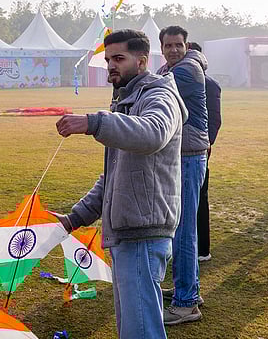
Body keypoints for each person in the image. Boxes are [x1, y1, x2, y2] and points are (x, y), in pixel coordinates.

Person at [54, 29, 186, 339]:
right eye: (108, 59)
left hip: (143, 230)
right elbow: (115, 173)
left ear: (141, 62)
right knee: (132, 327)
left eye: (119, 58)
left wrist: (94, 122)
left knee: (141, 330)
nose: (111, 65)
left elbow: (153, 133)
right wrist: (75, 218)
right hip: (128, 229)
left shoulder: (158, 95)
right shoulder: (126, 99)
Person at [157, 26, 209, 326]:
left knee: (184, 229)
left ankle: (186, 303)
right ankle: (187, 289)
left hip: (189, 156)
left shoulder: (186, 70)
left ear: (186, 45)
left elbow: (152, 87)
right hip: (183, 155)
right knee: (180, 227)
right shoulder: (171, 67)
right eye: (169, 45)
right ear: (162, 48)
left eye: (178, 44)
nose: (174, 49)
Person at [187, 42, 222, 262]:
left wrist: (207, 143)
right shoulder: (174, 78)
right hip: (178, 149)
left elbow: (215, 120)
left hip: (198, 149)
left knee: (199, 198)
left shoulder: (209, 84)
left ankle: (202, 249)